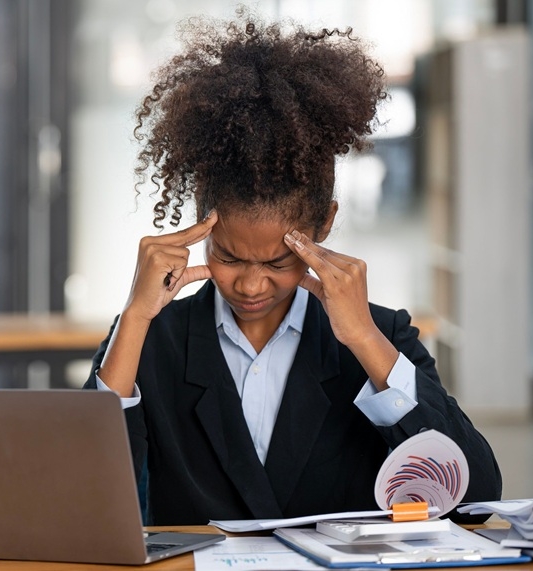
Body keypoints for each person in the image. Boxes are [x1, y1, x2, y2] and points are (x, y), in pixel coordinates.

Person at [83, 9, 501, 526]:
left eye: (279, 261)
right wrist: (134, 319)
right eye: (229, 256)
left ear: (323, 225)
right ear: (201, 226)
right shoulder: (153, 339)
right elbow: (83, 496)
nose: (252, 284)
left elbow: (476, 497)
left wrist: (365, 342)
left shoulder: (379, 334)